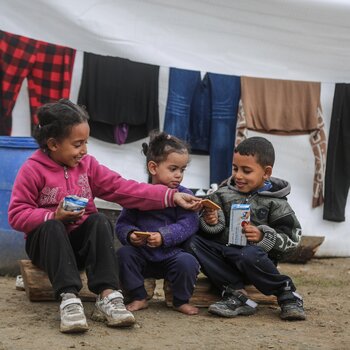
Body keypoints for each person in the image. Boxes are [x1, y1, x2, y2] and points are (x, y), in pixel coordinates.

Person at [8, 99, 201, 334]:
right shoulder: (33, 169)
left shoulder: (88, 166)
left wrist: (172, 197)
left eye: (86, 143)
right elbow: (17, 215)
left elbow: (123, 188)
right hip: (47, 250)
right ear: (53, 144)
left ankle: (108, 295)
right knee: (53, 227)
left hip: (79, 249)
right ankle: (69, 299)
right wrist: (52, 215)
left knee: (99, 220)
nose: (85, 150)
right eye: (78, 144)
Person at [186, 136, 306, 321]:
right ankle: (236, 295)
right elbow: (209, 232)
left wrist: (262, 237)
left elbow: (293, 240)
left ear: (266, 172)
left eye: (246, 170)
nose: (238, 176)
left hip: (255, 264)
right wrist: (210, 222)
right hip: (224, 263)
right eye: (235, 168)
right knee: (192, 242)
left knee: (248, 253)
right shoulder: (222, 194)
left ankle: (286, 293)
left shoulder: (277, 202)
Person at [116, 132, 200, 315]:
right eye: (173, 169)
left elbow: (190, 223)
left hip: (172, 255)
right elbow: (122, 224)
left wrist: (164, 236)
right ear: (153, 168)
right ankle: (139, 296)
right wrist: (131, 235)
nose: (179, 175)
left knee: (188, 261)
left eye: (182, 170)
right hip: (142, 255)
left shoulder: (184, 194)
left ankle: (180, 300)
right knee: (124, 254)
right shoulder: (140, 194)